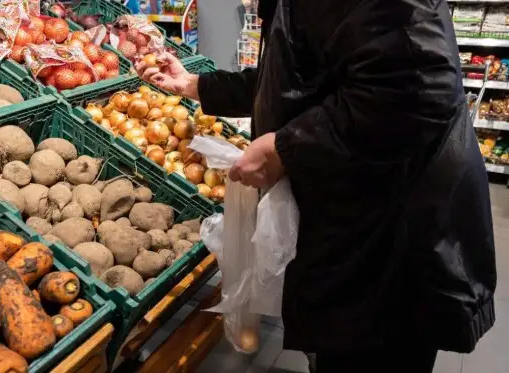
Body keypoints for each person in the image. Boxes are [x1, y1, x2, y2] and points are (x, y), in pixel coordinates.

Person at [136, 0, 497, 372]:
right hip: (362, 219)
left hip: (394, 235)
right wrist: (198, 85)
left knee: (373, 353)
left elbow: (416, 89)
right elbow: (304, 77)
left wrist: (285, 147)